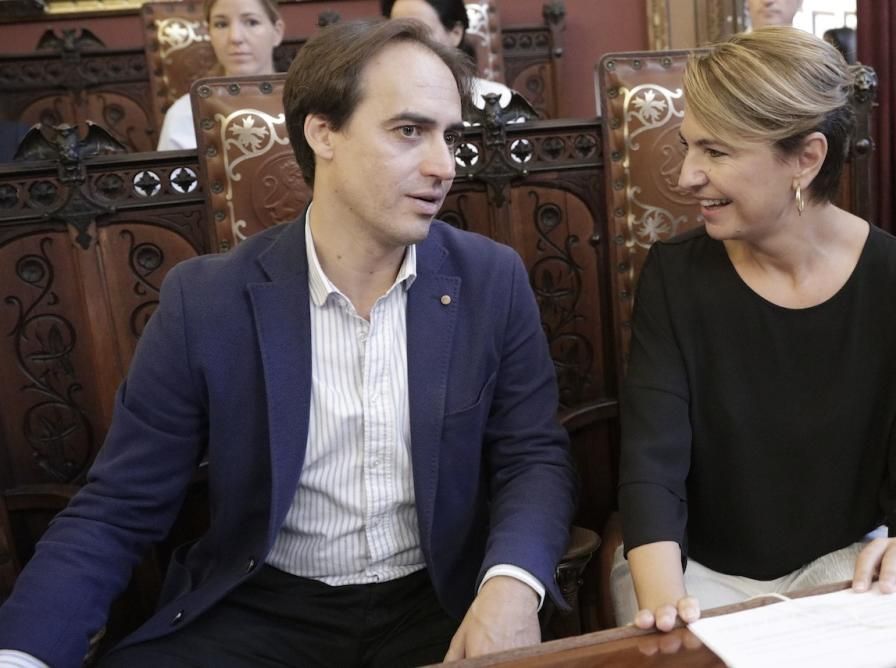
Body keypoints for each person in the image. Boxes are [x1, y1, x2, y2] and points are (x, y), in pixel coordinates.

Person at [0, 18, 576, 668]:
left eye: (450, 135)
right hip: (261, 607)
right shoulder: (207, 300)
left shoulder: (489, 280)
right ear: (322, 131)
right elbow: (118, 508)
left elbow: (534, 458)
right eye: (410, 131)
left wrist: (511, 585)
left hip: (438, 600)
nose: (444, 165)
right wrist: (22, 654)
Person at [612, 26, 896, 633]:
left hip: (847, 569)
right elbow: (652, 468)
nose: (686, 177)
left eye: (717, 152)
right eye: (689, 147)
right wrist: (665, 609)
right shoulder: (674, 278)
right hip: (696, 572)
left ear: (806, 158)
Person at [157, 0, 285, 150]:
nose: (235, 37)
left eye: (251, 22)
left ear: (277, 32)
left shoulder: (307, 106)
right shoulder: (185, 115)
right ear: (209, 33)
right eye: (221, 24)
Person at [380, 0, 516, 110]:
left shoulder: (500, 101)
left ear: (455, 34)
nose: (408, 44)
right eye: (400, 33)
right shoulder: (378, 102)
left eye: (421, 33)